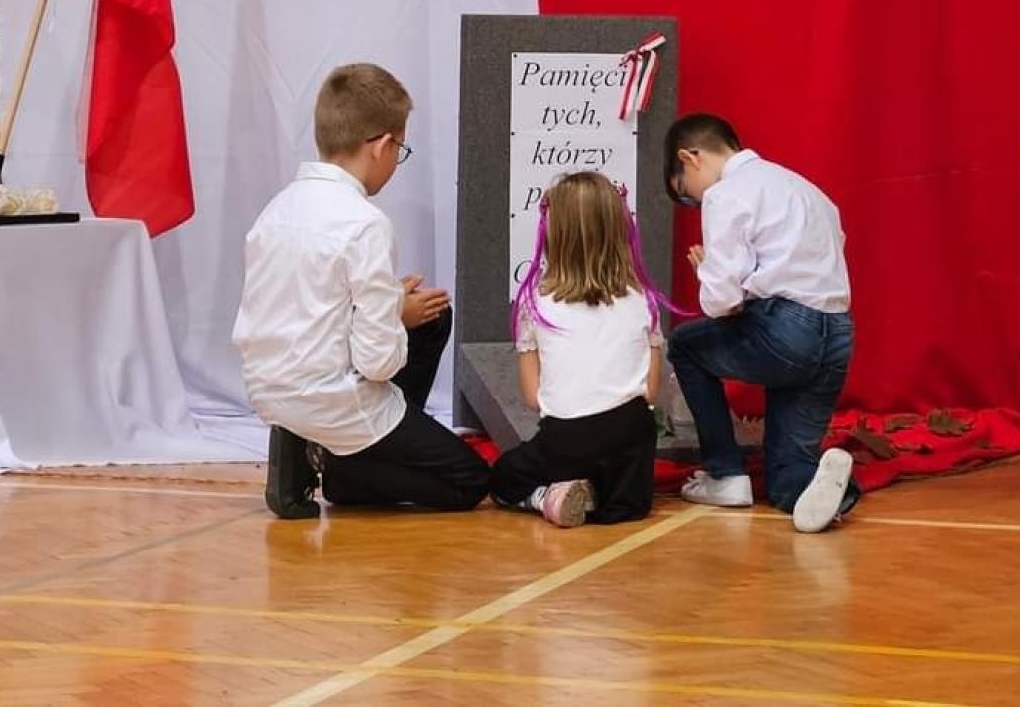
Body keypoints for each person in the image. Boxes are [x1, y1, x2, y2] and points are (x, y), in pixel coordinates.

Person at [232, 63, 490, 518]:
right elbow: (377, 362)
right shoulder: (365, 223)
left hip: (268, 389)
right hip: (334, 400)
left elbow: (307, 308)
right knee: (468, 480)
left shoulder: (276, 210)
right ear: (383, 146)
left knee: (431, 317)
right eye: (400, 150)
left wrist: (392, 304)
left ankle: (305, 444)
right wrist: (394, 315)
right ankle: (347, 471)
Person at [664, 113, 858, 533]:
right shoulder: (806, 189)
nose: (695, 204)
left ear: (690, 159)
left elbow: (720, 302)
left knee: (685, 346)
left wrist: (709, 272)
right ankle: (832, 490)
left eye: (686, 196)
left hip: (786, 331)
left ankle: (725, 474)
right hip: (837, 334)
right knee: (786, 474)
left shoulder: (725, 194)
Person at [489, 172, 665, 528]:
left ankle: (547, 497)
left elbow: (532, 397)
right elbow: (650, 389)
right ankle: (600, 494)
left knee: (502, 478)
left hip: (567, 439)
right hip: (630, 438)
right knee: (624, 508)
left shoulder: (534, 302)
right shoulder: (644, 300)